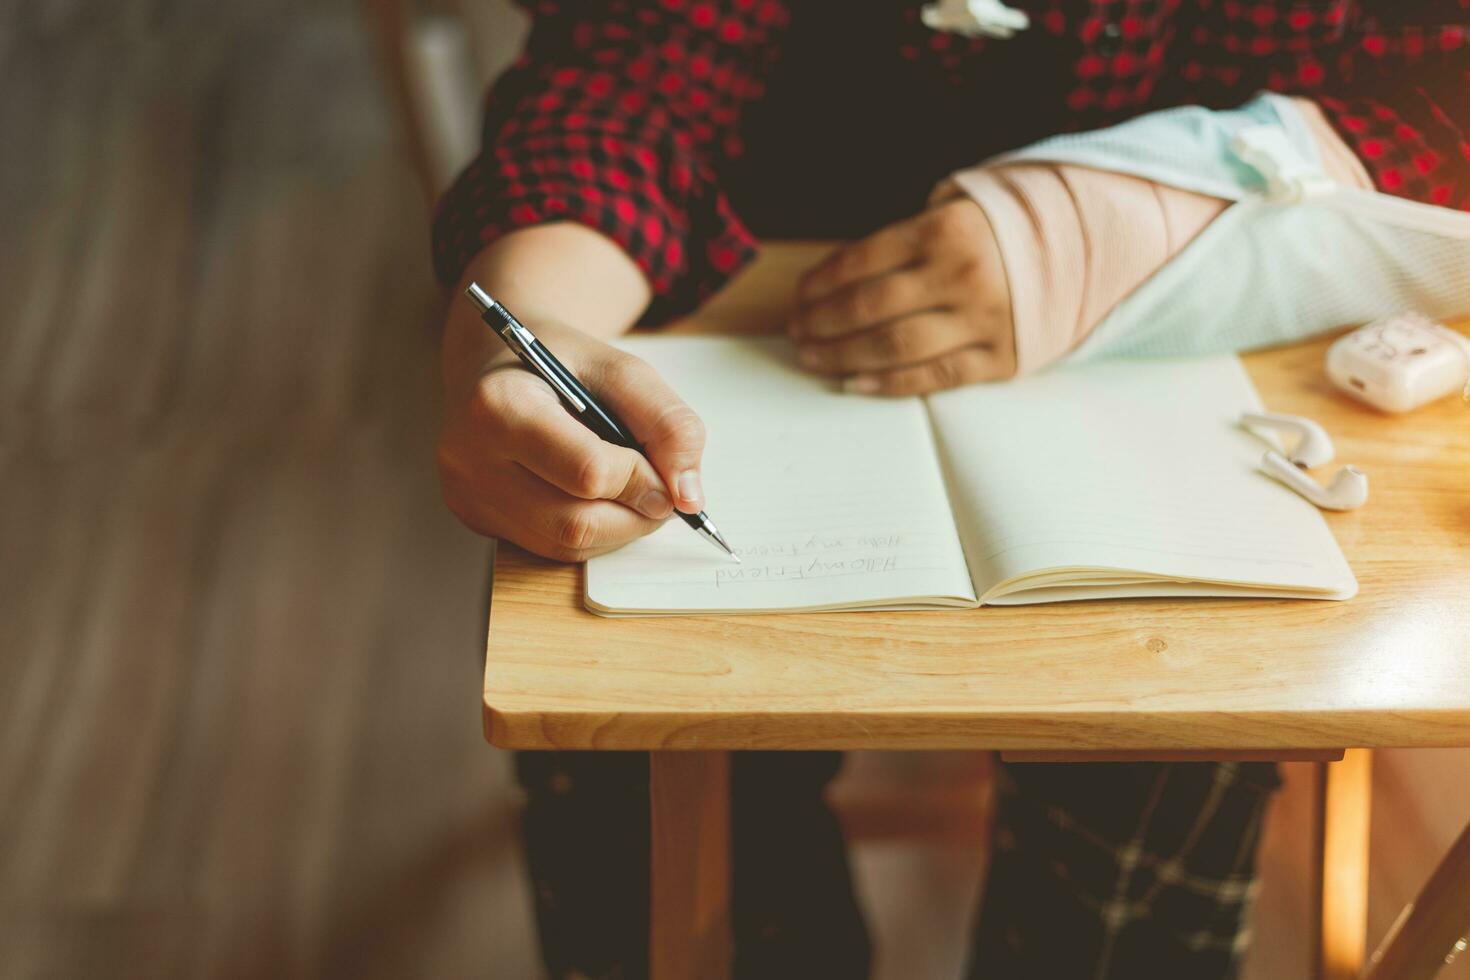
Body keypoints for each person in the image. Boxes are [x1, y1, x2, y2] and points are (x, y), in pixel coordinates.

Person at [431, 2, 1470, 977]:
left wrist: (1098, 225)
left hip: (1198, 338)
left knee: (1170, 736)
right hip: (744, 282)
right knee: (631, 750)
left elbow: (1445, 88)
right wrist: (532, 323)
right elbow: (633, 68)